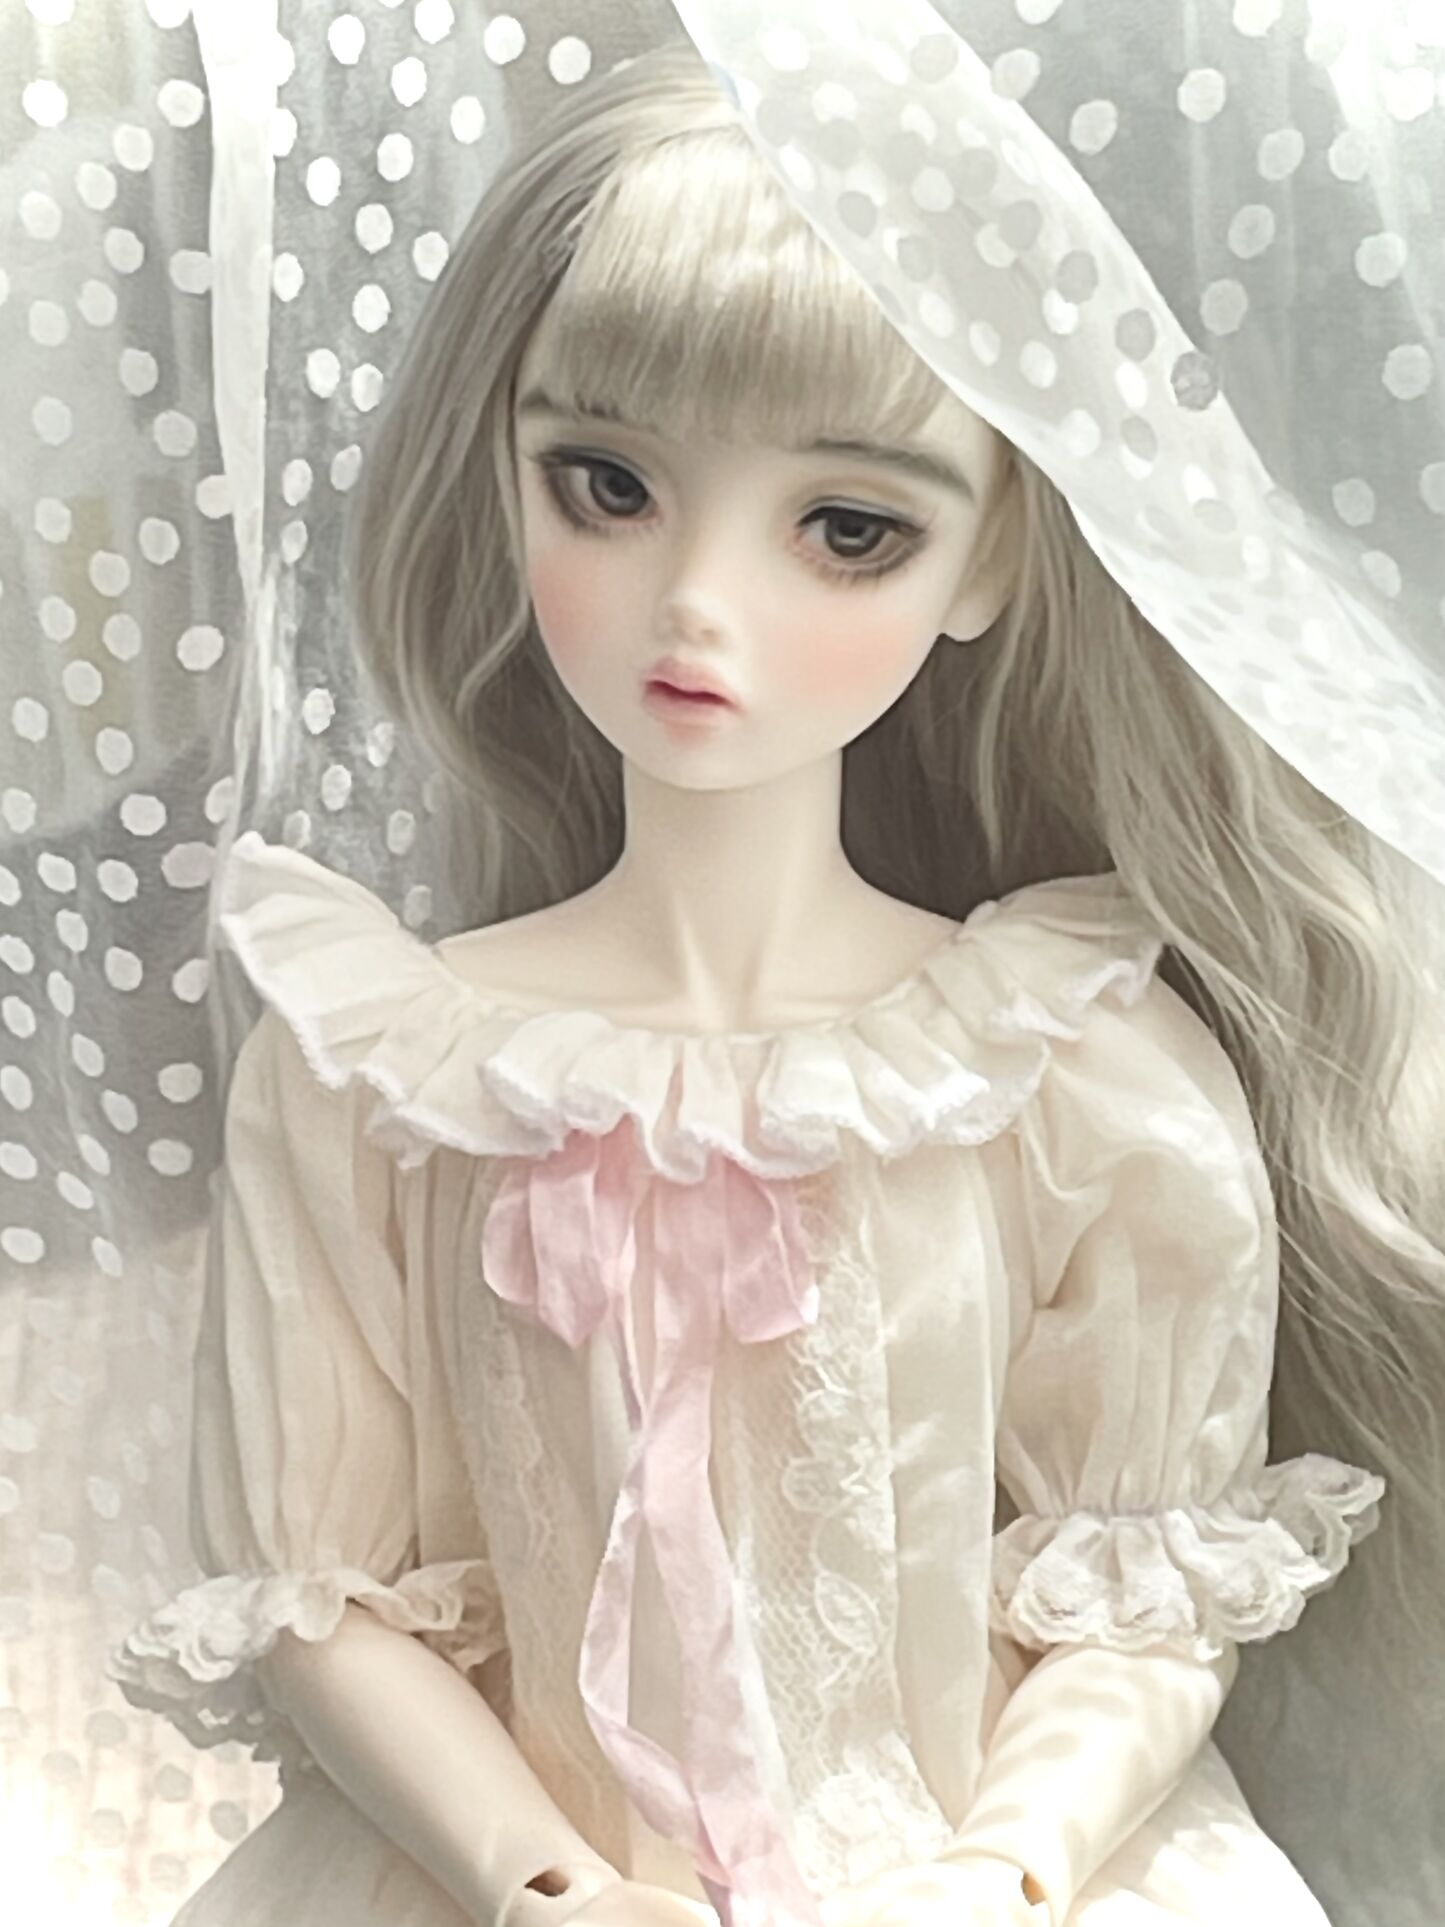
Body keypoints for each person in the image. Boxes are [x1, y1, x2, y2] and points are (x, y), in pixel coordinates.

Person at [110, 40, 1429, 1927]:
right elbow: (321, 1592)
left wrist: (1001, 1873)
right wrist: (542, 1883)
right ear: (504, 476)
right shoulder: (368, 1073)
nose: (696, 607)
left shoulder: (1075, 1082)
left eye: (848, 528)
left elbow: (1141, 1594)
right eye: (607, 485)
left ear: (986, 562)